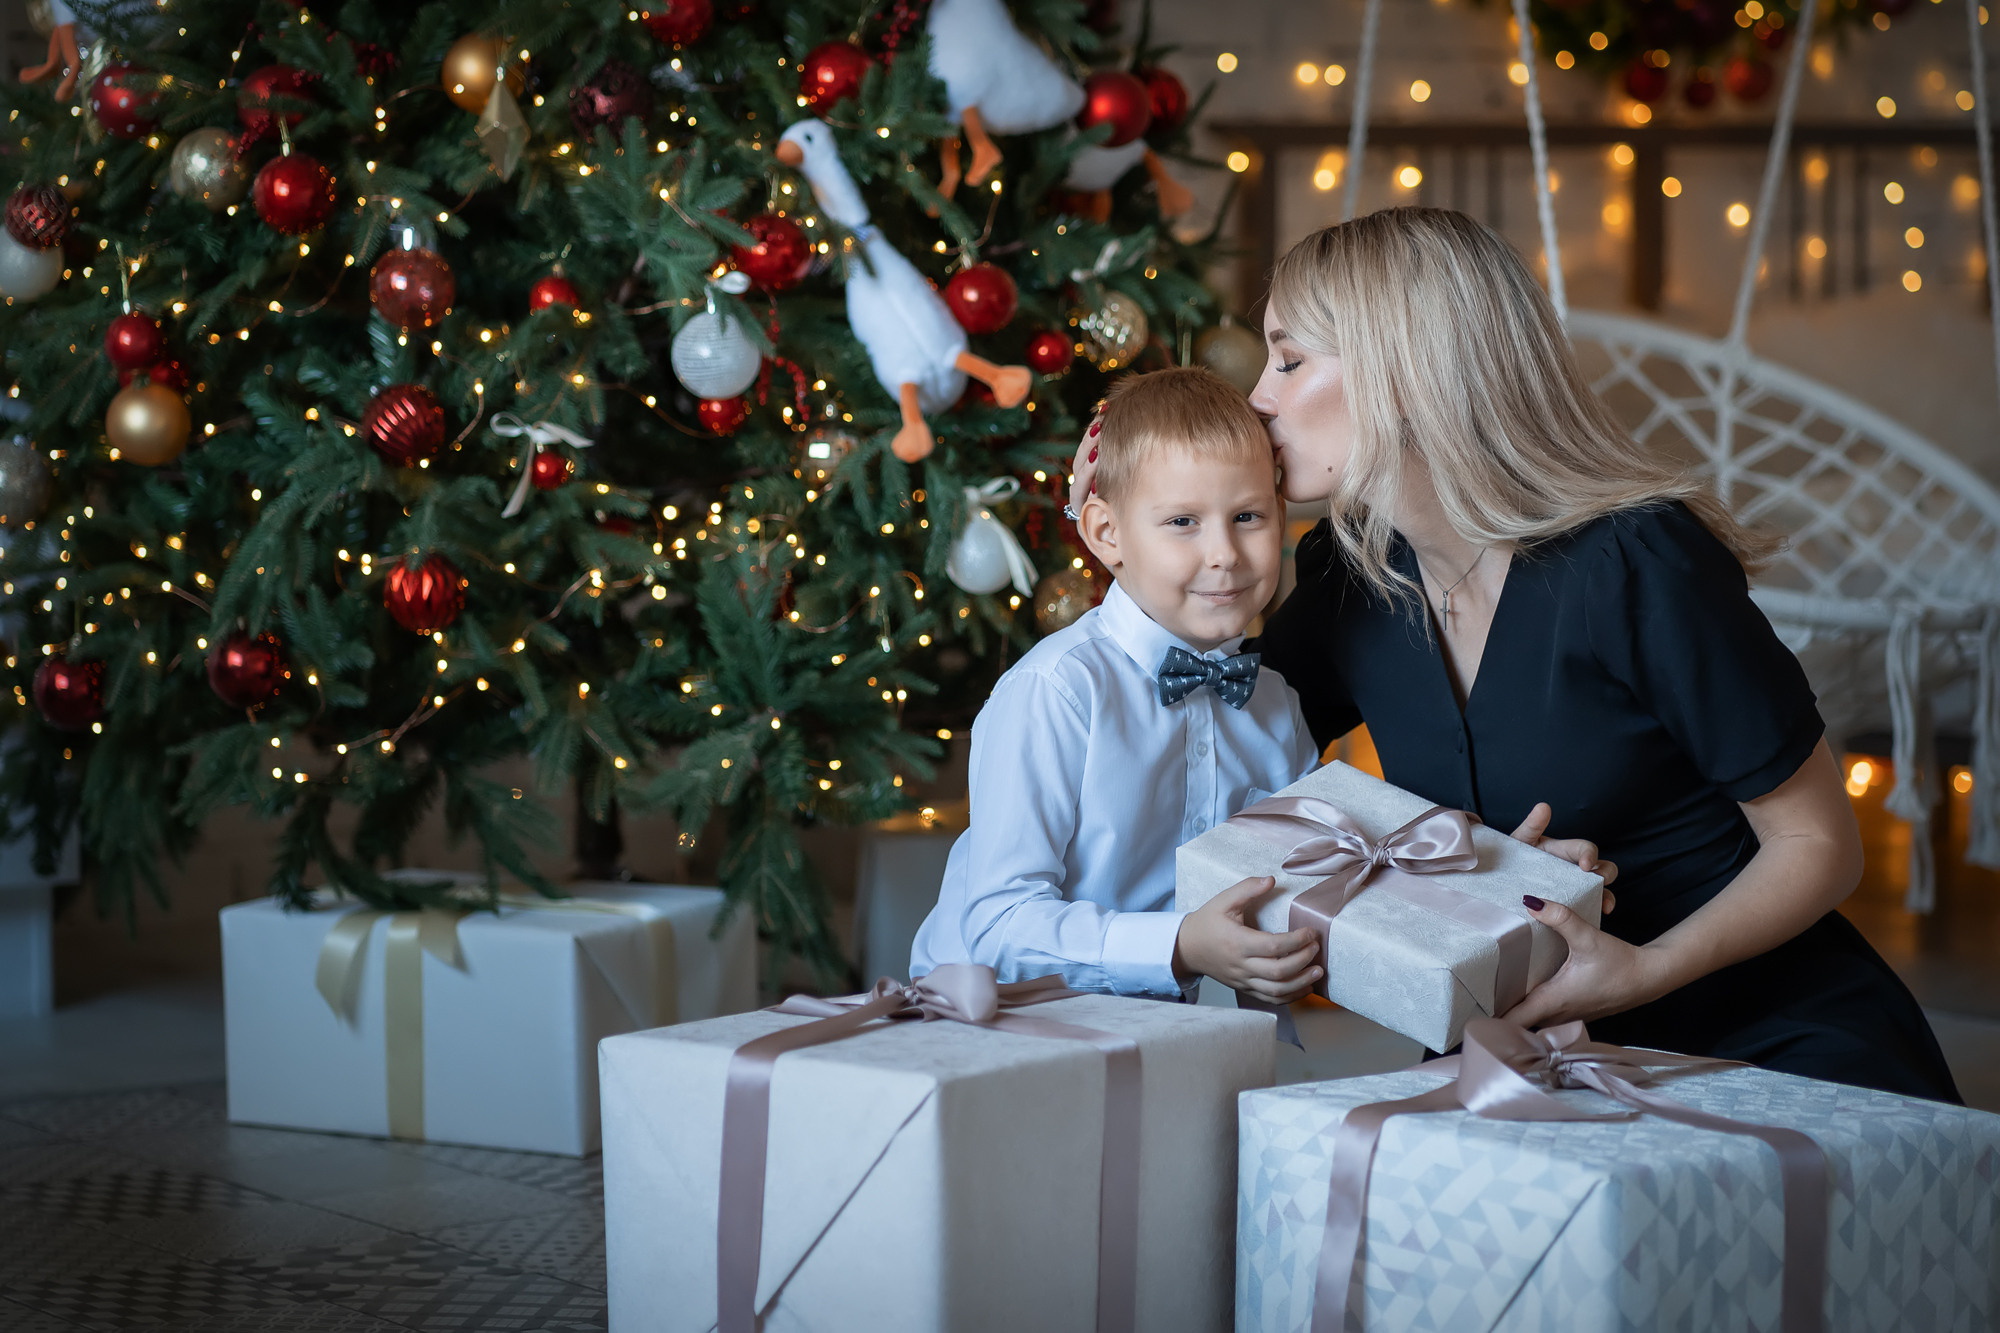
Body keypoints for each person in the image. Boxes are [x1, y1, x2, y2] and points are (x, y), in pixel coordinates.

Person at [1246, 206, 1959, 1101]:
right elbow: (1223, 765)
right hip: (1521, 1041)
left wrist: (1642, 970)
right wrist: (1155, 522)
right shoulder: (1348, 577)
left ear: (1402, 370)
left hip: (1765, 1034)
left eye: (1288, 358)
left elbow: (1821, 842)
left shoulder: (1635, 560)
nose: (1258, 398)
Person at [910, 367, 1325, 1002]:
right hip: (1000, 1028)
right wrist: (1178, 945)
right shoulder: (1056, 693)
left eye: (1248, 516)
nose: (1225, 554)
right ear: (1108, 533)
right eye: (1183, 521)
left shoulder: (1275, 706)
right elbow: (998, 923)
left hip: (1182, 1039)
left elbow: (1304, 879)